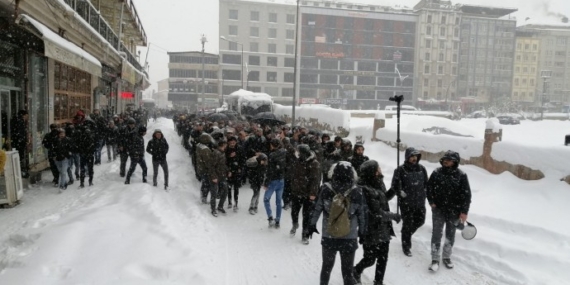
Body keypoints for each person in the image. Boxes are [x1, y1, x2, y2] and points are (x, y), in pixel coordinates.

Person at [309, 162, 366, 285]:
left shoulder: (326, 188)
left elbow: (317, 208)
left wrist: (311, 225)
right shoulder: (357, 191)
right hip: (349, 236)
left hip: (329, 235)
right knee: (347, 271)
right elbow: (361, 214)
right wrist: (362, 231)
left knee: (326, 268)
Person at [354, 160, 401, 285]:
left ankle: (378, 282)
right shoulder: (364, 189)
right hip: (371, 230)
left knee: (383, 258)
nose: (380, 169)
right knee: (370, 259)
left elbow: (383, 198)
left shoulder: (378, 182)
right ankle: (356, 271)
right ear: (372, 172)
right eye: (378, 168)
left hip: (383, 229)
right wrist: (394, 216)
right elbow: (377, 213)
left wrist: (394, 189)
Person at [427, 151, 472, 272]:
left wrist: (464, 212)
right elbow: (429, 188)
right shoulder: (437, 172)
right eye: (445, 159)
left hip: (454, 212)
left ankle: (446, 257)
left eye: (449, 159)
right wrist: (431, 202)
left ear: (455, 162)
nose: (446, 161)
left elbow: (466, 195)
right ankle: (435, 258)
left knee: (450, 235)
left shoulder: (461, 175)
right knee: (436, 233)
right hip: (438, 210)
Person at [391, 147, 428, 257]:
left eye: (416, 156)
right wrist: (399, 192)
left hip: (420, 201)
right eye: (412, 156)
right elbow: (394, 186)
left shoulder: (422, 169)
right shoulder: (400, 170)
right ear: (407, 157)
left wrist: (426, 192)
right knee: (407, 224)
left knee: (420, 221)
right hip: (406, 203)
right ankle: (406, 246)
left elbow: (427, 183)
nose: (414, 158)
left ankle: (406, 235)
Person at [290, 144, 320, 244]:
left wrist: (313, 193)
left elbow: (315, 180)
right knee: (294, 211)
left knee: (306, 215)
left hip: (307, 194)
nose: (296, 152)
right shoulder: (297, 160)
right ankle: (295, 224)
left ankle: (305, 234)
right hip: (296, 191)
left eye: (298, 151)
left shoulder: (314, 163)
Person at [263, 138, 287, 228]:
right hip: (281, 180)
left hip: (273, 181)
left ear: (273, 145)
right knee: (278, 202)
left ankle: (270, 218)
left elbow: (270, 171)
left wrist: (266, 183)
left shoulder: (272, 155)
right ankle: (277, 221)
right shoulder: (284, 152)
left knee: (266, 199)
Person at [225, 136, 244, 211]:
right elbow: (224, 160)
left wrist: (240, 167)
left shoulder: (239, 149)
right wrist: (229, 156)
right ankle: (229, 202)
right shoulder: (226, 149)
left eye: (234, 142)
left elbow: (243, 159)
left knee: (236, 188)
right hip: (229, 171)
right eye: (231, 142)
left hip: (237, 171)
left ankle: (236, 203)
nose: (232, 144)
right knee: (229, 187)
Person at [212, 139, 229, 216]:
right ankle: (213, 209)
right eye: (225, 145)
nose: (226, 146)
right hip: (216, 176)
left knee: (225, 191)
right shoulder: (216, 153)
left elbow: (223, 164)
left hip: (222, 175)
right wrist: (214, 176)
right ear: (222, 145)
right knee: (214, 193)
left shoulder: (222, 153)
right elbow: (212, 166)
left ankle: (220, 206)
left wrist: (227, 170)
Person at [11, 110, 29, 178]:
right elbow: (20, 133)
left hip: (17, 142)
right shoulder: (20, 121)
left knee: (19, 156)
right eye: (26, 115)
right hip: (19, 143)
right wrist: (24, 141)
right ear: (23, 115)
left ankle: (20, 170)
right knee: (19, 156)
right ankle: (19, 171)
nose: (27, 117)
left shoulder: (16, 120)